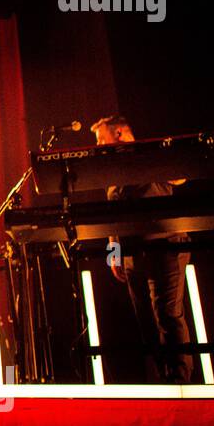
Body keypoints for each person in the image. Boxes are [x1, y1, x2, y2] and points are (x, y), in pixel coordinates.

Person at [90, 115, 193, 383]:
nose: (98, 146)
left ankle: (180, 379)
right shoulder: (111, 171)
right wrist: (114, 255)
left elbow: (182, 174)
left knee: (167, 314)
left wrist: (159, 162)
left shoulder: (149, 154)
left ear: (120, 133)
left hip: (165, 245)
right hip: (133, 253)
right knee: (145, 322)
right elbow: (112, 215)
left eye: (102, 139)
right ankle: (162, 378)